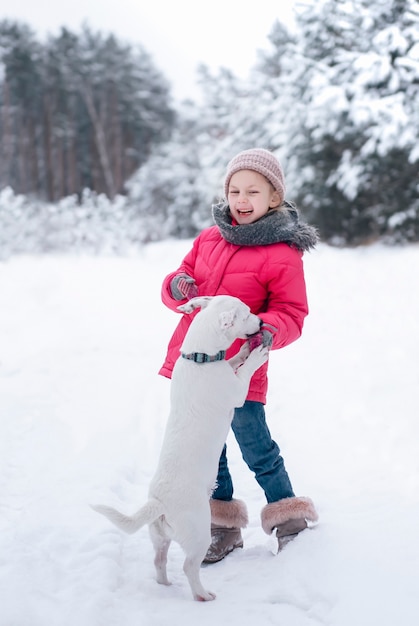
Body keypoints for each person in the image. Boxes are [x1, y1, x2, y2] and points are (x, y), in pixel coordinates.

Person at [159, 148, 319, 563]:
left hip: (239, 370)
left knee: (255, 443)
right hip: (195, 369)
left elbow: (292, 313)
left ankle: (288, 517)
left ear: (273, 198)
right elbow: (181, 278)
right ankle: (223, 527)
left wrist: (267, 330)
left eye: (253, 191)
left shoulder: (283, 252)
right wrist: (178, 286)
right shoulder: (209, 237)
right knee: (209, 448)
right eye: (235, 190)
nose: (242, 199)